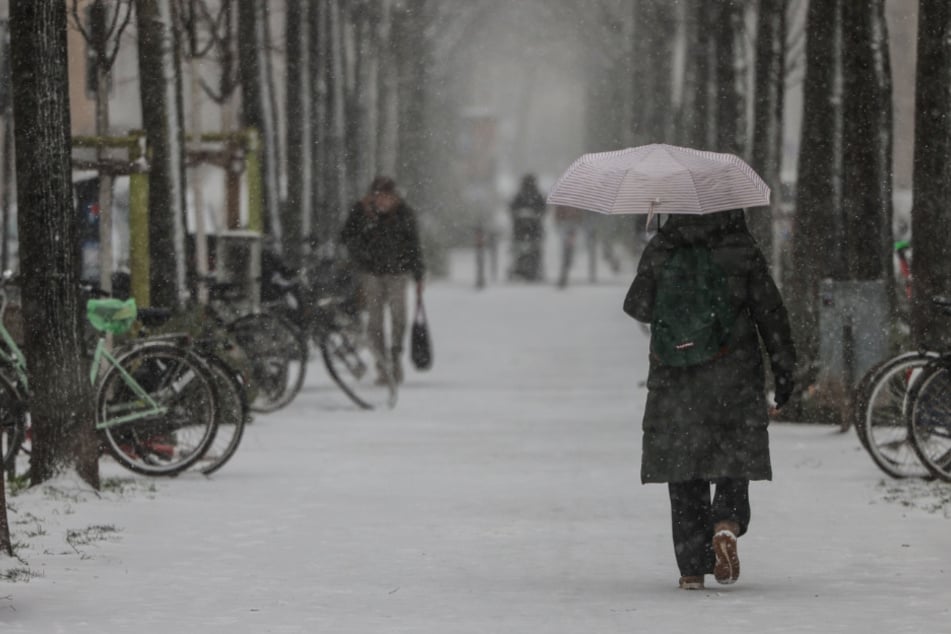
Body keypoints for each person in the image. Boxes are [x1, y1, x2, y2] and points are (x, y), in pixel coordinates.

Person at [622, 210, 796, 591]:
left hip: (676, 376)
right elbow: (770, 312)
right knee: (734, 451)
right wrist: (784, 370)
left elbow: (638, 306)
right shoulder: (740, 246)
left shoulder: (664, 245)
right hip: (732, 371)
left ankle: (691, 568)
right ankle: (726, 525)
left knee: (684, 466)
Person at [340, 176, 424, 385]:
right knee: (375, 322)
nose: (383, 202)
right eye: (379, 197)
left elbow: (414, 245)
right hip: (371, 273)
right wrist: (360, 253)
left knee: (399, 318)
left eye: (388, 197)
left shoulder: (405, 214)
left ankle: (395, 358)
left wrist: (418, 274)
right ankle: (382, 366)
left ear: (395, 198)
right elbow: (345, 236)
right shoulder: (361, 212)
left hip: (397, 272)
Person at [508, 174, 547, 281]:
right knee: (532, 251)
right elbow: (543, 209)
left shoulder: (521, 195)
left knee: (523, 251)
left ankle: (524, 270)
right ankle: (530, 270)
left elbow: (512, 209)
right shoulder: (535, 195)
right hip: (532, 231)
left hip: (522, 231)